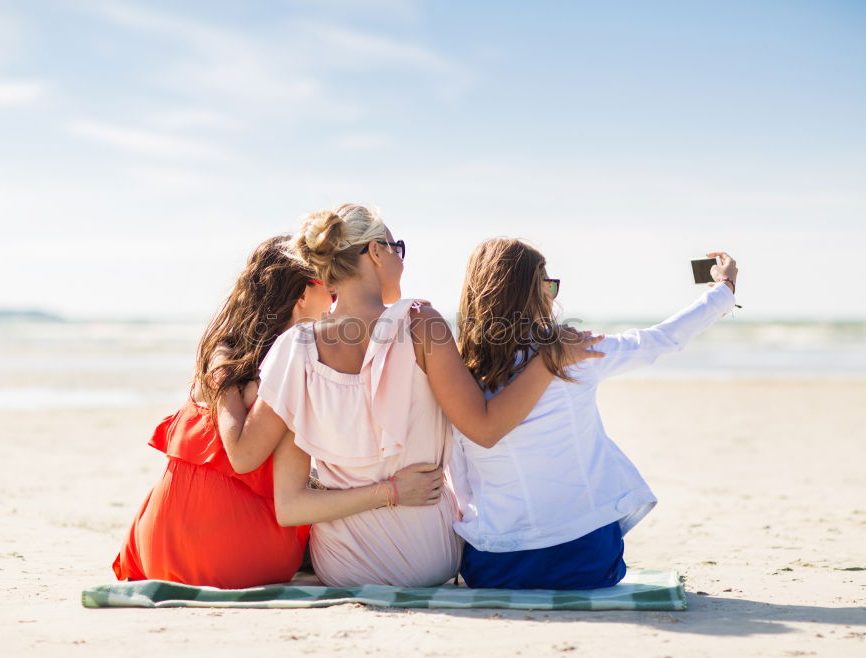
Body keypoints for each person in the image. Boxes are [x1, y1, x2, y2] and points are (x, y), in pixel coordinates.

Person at [230, 204, 606, 587]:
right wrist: (546, 361)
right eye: (397, 248)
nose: (400, 260)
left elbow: (273, 489)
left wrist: (223, 383)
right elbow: (486, 429)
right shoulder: (423, 325)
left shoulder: (295, 349)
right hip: (432, 560)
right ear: (375, 252)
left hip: (343, 569)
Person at [449, 238, 739, 590]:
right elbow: (661, 340)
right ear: (531, 291)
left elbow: (459, 473)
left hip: (495, 566)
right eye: (547, 283)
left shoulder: (457, 371)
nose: (552, 295)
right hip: (585, 562)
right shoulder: (576, 354)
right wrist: (723, 291)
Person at [112, 236, 336, 588]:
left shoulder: (224, 354)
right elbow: (243, 457)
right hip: (237, 558)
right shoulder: (283, 370)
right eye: (332, 290)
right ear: (302, 295)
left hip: (157, 548)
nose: (338, 300)